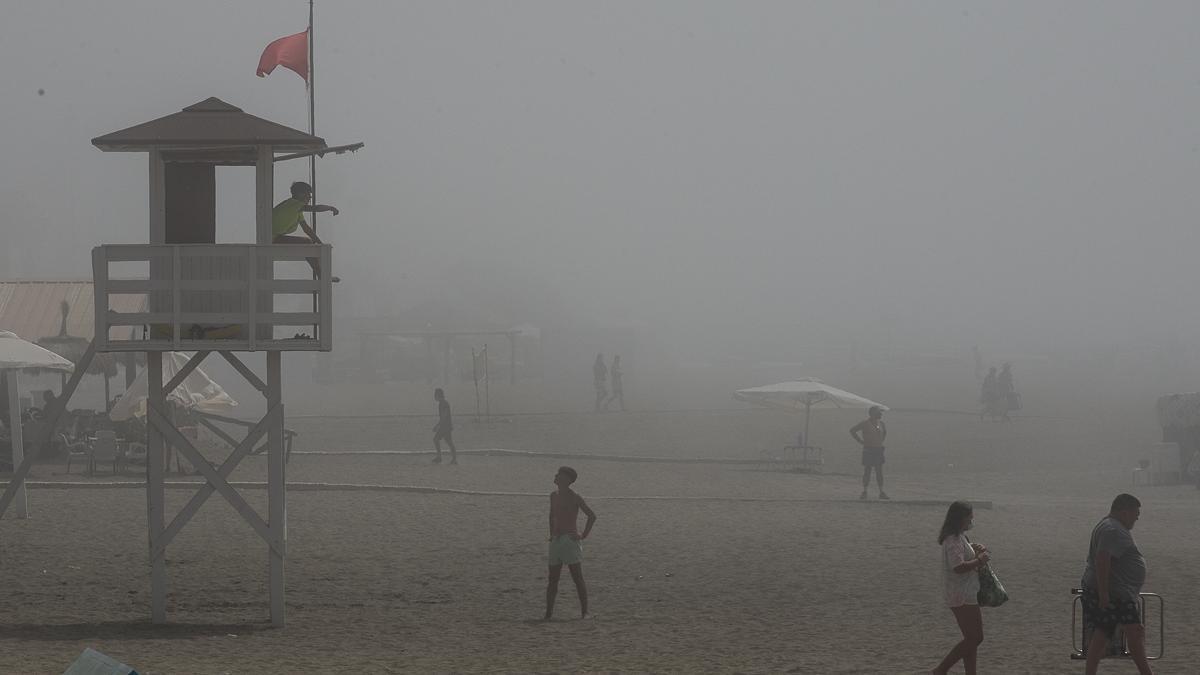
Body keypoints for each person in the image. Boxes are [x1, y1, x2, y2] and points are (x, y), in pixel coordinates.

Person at [1080, 494, 1153, 675]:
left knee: (1108, 632)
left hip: (1119, 592)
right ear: (1124, 511)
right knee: (1124, 631)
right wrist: (1104, 595)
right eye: (1135, 513)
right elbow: (1102, 560)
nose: (1137, 518)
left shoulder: (1110, 526)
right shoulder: (1112, 529)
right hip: (1115, 593)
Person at [932, 501, 989, 675]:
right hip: (961, 594)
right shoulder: (953, 539)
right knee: (976, 637)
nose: (971, 520)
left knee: (970, 639)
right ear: (960, 519)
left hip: (964, 592)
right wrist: (980, 560)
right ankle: (940, 670)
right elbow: (958, 567)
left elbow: (962, 555)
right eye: (969, 517)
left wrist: (974, 549)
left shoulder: (960, 537)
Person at [544, 466, 596, 620]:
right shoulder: (553, 495)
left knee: (577, 577)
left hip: (570, 540)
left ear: (566, 479)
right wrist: (552, 534)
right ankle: (548, 613)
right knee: (552, 579)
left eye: (559, 474)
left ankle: (585, 612)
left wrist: (583, 535)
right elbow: (551, 515)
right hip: (557, 540)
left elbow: (592, 516)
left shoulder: (575, 496)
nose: (555, 476)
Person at [272, 181, 340, 280]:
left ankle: (322, 274)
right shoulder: (293, 204)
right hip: (271, 238)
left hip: (275, 238)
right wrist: (330, 208)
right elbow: (314, 208)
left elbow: (307, 229)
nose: (310, 197)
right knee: (307, 243)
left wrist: (319, 243)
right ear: (300, 194)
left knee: (310, 244)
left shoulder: (297, 210)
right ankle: (322, 275)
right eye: (308, 194)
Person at [849, 406, 889, 500]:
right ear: (872, 413)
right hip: (869, 449)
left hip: (878, 450)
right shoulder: (865, 423)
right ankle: (865, 491)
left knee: (879, 471)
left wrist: (880, 441)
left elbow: (885, 433)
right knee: (867, 470)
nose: (881, 414)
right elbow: (852, 430)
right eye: (879, 412)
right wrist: (861, 441)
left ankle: (881, 492)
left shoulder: (881, 423)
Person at [431, 388, 457, 465]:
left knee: (442, 441)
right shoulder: (442, 403)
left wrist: (437, 425)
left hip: (446, 427)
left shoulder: (444, 403)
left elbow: (444, 416)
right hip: (444, 426)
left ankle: (450, 458)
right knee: (445, 441)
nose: (434, 397)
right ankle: (443, 457)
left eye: (435, 395)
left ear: (438, 395)